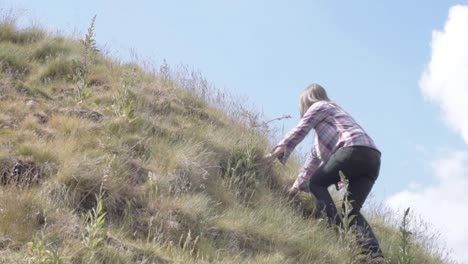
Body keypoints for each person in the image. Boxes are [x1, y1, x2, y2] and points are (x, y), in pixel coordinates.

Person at [266, 83, 384, 260]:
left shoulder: (320, 106)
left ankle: (335, 233)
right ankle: (373, 255)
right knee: (350, 210)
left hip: (354, 149)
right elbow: (311, 163)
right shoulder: (327, 128)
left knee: (317, 183)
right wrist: (295, 189)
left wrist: (275, 153)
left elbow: (300, 129)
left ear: (307, 101)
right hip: (372, 158)